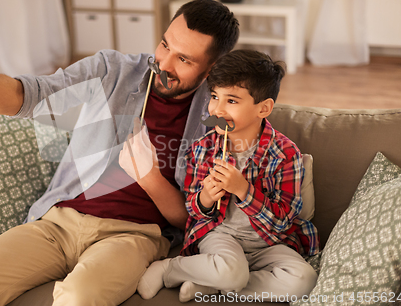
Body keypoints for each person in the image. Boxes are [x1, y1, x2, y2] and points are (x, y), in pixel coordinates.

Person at [0, 0, 239, 306]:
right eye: (165, 45)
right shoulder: (112, 71)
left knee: (79, 298)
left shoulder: (217, 123)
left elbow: (194, 220)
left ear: (210, 70)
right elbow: (26, 96)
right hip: (58, 223)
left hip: (133, 236)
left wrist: (149, 177)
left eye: (184, 60)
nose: (164, 63)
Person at [136, 50, 319, 303]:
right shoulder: (203, 148)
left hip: (269, 242)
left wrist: (244, 190)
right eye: (214, 97)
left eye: (231, 101)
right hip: (221, 235)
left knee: (304, 280)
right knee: (231, 270)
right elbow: (194, 210)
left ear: (263, 108)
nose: (217, 109)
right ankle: (170, 269)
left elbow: (283, 221)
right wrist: (206, 198)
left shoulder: (286, 154)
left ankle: (210, 285)